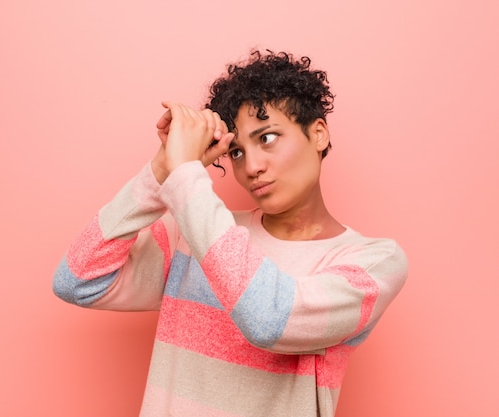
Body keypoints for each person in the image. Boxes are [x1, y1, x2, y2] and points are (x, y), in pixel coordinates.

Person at [53, 50, 408, 417]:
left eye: (267, 138)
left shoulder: (372, 262)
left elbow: (269, 319)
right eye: (236, 152)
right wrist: (161, 169)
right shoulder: (192, 235)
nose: (252, 166)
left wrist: (185, 175)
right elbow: (78, 280)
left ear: (318, 134)